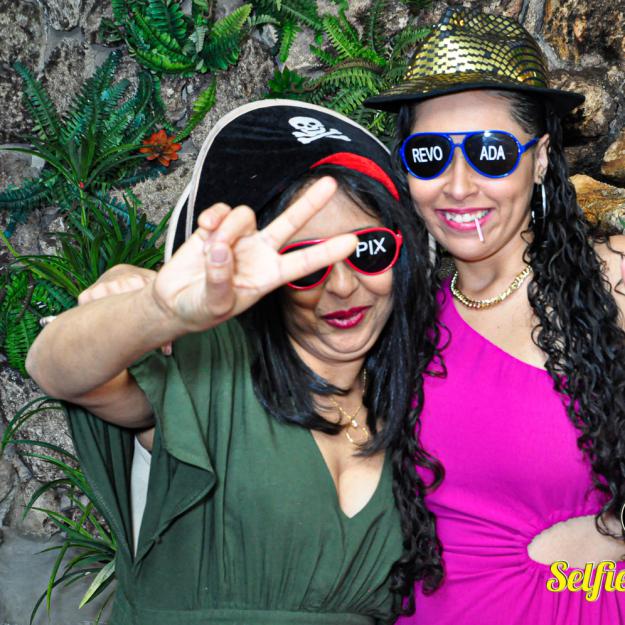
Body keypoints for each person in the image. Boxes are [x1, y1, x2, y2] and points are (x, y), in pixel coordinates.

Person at [25, 101, 442, 624]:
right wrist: (155, 312)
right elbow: (53, 368)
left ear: (403, 258)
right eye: (305, 265)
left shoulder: (420, 406)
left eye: (369, 250)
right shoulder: (215, 370)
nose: (342, 285)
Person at [365, 7, 625, 624]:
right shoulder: (395, 314)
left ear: (541, 160)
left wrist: (610, 532)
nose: (458, 186)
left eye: (490, 152)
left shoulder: (613, 281)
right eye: (430, 154)